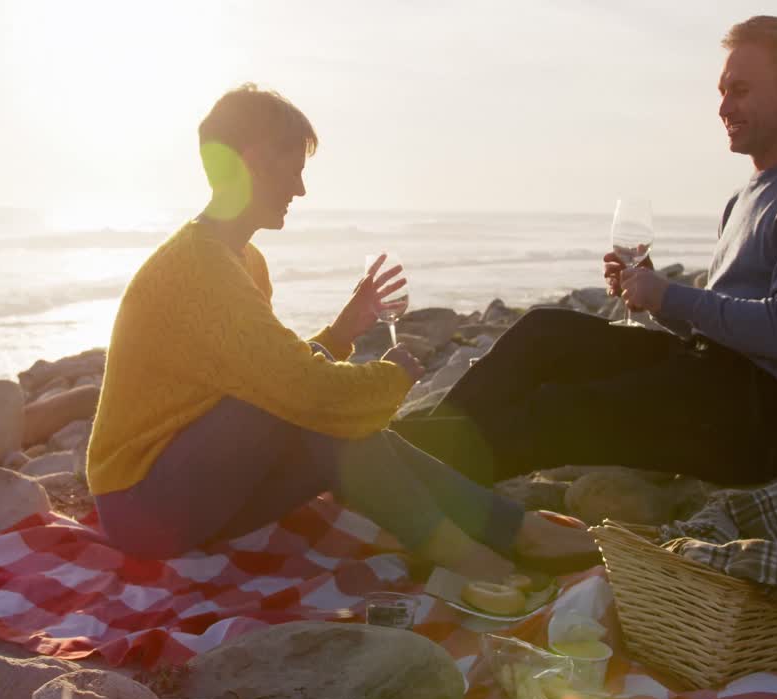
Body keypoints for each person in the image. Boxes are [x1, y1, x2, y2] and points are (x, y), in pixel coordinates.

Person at [85, 84, 597, 580]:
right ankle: (469, 544)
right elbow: (296, 392)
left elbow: (261, 381)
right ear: (257, 160)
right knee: (323, 410)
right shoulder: (199, 267)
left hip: (199, 492)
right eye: (295, 171)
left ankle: (510, 530)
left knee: (327, 414)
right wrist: (390, 378)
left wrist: (340, 333)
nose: (300, 190)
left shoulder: (244, 260)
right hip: (142, 505)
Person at [394, 16, 777, 488]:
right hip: (718, 374)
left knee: (559, 410)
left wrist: (669, 296)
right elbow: (725, 324)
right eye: (722, 91)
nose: (723, 108)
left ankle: (378, 472)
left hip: (769, 419)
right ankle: (392, 462)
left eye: (740, 90)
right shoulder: (747, 195)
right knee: (544, 332)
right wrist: (652, 295)